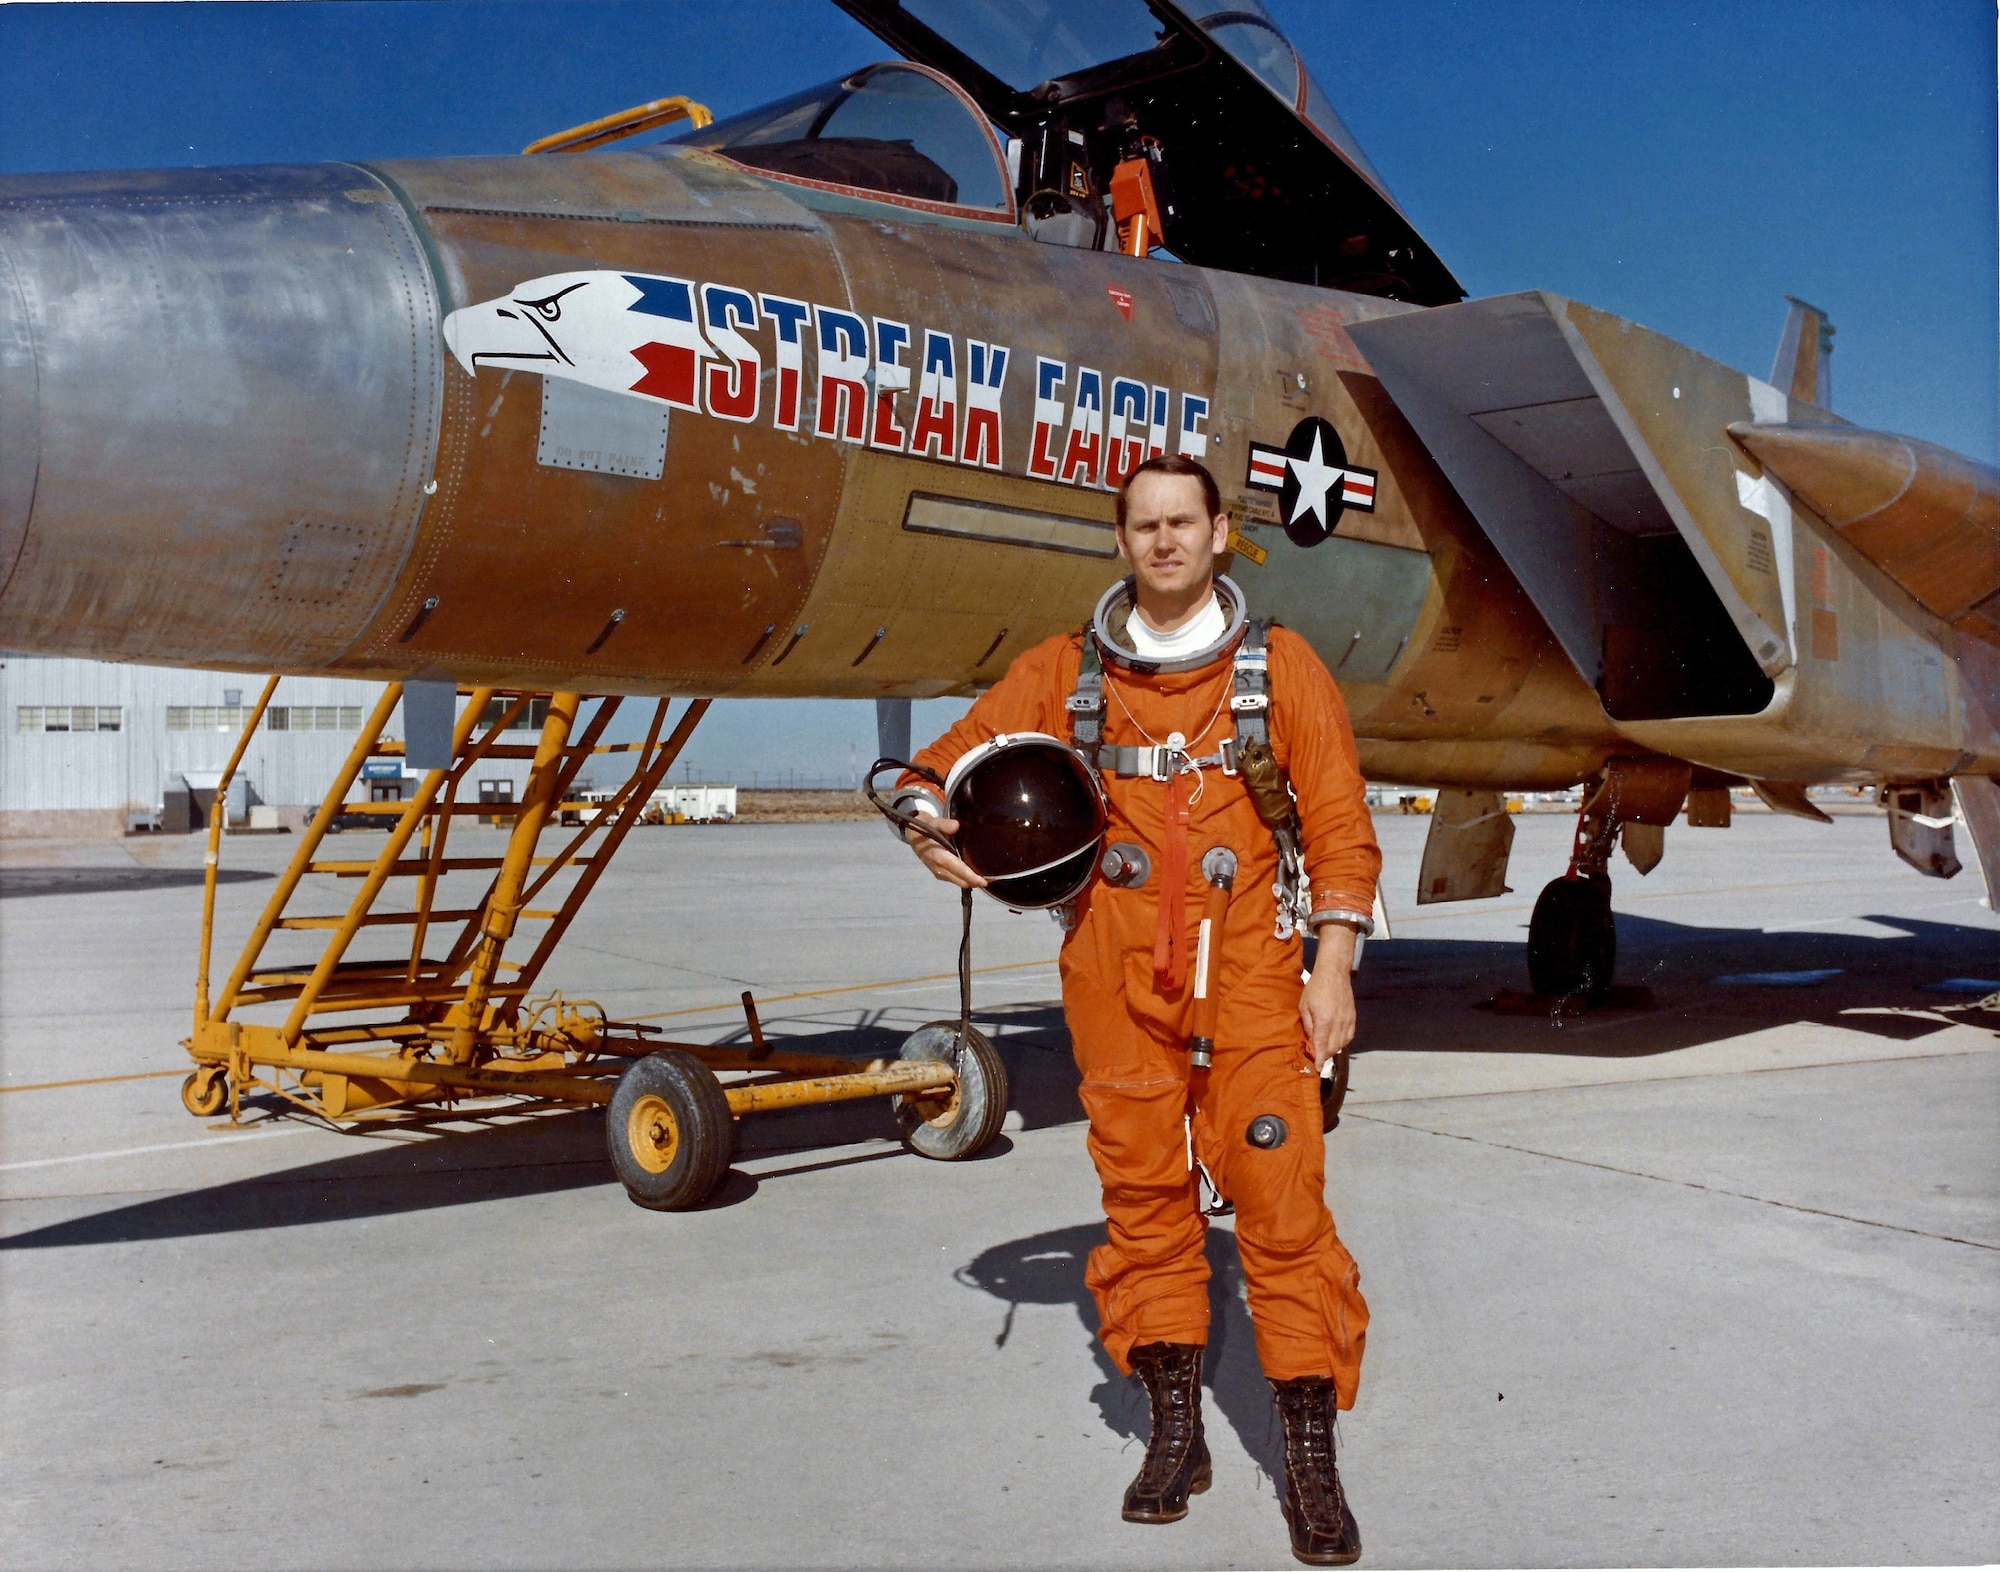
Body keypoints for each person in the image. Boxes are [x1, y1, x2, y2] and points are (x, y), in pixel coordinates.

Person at [891, 454, 1382, 1566]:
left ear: (1219, 533)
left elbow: (1341, 826)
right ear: (1120, 542)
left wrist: (1333, 966)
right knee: (1145, 1202)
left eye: (1182, 522)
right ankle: (1175, 1435)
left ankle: (1307, 1457)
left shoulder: (1278, 670)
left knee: (1280, 1205)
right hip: (1115, 979)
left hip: (1253, 976)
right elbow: (931, 770)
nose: (1163, 541)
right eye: (1142, 525)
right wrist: (928, 829)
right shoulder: (1064, 671)